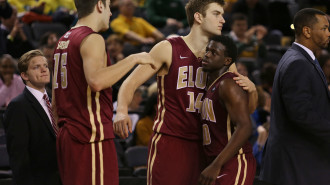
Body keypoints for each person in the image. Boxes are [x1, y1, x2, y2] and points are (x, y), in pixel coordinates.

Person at [114, 0, 258, 185]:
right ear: (198, 17)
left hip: (208, 146)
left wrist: (252, 91)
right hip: (172, 141)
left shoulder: (224, 59)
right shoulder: (168, 47)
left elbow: (243, 112)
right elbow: (130, 82)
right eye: (216, 14)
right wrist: (122, 111)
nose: (222, 19)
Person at [52, 0, 155, 185]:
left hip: (68, 136)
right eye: (109, 7)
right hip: (90, 134)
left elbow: (55, 102)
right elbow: (97, 81)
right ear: (100, 5)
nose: (110, 13)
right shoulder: (92, 37)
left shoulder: (63, 40)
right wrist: (133, 59)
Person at [260, 8, 330, 185]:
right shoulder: (298, 63)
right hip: (296, 165)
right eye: (324, 28)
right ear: (307, 31)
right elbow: (301, 114)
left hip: (298, 163)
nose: (328, 33)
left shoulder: (299, 58)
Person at [198, 35, 256, 185]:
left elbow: (245, 126)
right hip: (218, 161)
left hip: (233, 161)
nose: (207, 54)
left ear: (227, 61)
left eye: (214, 52)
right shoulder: (213, 85)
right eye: (207, 50)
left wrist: (216, 165)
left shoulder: (228, 84)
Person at [3, 50, 61, 185]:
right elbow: (19, 157)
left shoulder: (54, 101)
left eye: (45, 66)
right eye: (36, 67)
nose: (44, 70)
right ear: (24, 75)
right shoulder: (17, 106)